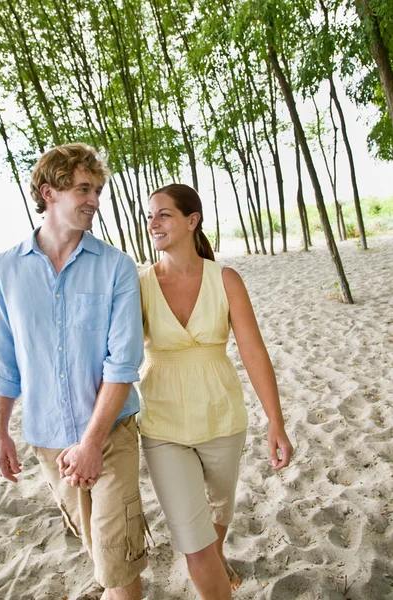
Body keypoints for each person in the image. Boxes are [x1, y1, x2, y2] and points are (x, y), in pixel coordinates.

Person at [0, 143, 147, 600]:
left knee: (116, 559)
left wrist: (93, 444)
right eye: (83, 188)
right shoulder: (4, 269)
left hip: (111, 434)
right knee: (100, 551)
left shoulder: (116, 267)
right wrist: (0, 432)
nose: (95, 199)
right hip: (49, 441)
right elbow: (6, 362)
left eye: (97, 189)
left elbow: (122, 367)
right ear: (48, 192)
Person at [138, 183, 293, 600]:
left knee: (219, 508)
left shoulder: (226, 279)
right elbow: (117, 356)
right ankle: (209, 559)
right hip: (163, 423)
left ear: (192, 220)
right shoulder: (138, 284)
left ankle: (216, 551)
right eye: (149, 215)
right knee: (194, 546)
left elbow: (254, 352)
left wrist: (275, 423)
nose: (153, 223)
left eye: (163, 214)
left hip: (222, 418)